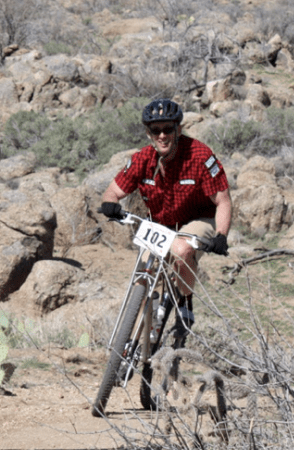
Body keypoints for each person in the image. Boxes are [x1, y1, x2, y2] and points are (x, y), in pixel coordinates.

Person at [99, 98, 232, 340]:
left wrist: (221, 235)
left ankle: (185, 304)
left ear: (178, 129)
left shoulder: (199, 156)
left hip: (199, 219)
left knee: (181, 249)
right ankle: (139, 341)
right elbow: (113, 191)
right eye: (155, 130)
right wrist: (110, 203)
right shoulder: (142, 159)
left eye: (168, 129)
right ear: (148, 133)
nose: (162, 135)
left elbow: (223, 200)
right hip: (161, 225)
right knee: (143, 275)